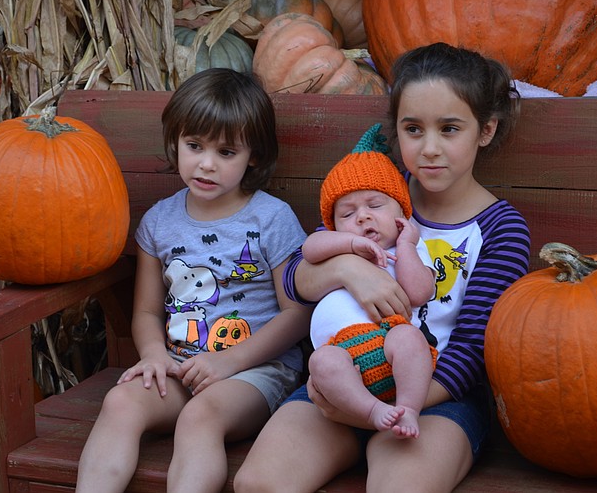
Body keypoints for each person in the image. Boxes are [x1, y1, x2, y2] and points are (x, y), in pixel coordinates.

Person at [234, 42, 531, 493]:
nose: (429, 148)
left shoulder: (500, 228)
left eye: (449, 129)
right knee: (259, 483)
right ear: (396, 130)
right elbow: (295, 279)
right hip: (341, 378)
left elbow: (473, 349)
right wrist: (350, 272)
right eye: (414, 129)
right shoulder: (375, 194)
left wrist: (390, 406)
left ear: (485, 130)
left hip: (435, 398)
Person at [75, 68, 311, 493]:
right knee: (121, 402)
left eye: (225, 152)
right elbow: (147, 310)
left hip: (255, 372)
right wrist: (153, 355)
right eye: (194, 146)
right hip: (180, 367)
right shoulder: (159, 223)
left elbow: (297, 314)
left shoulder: (271, 219)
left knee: (200, 417)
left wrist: (229, 362)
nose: (206, 163)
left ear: (252, 156)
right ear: (176, 142)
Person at [302, 123, 439, 439]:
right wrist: (349, 245)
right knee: (320, 361)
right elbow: (310, 249)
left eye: (375, 206)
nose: (362, 217)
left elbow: (419, 293)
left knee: (409, 338)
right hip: (342, 356)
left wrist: (405, 247)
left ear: (402, 213)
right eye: (347, 214)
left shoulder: (411, 250)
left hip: (389, 349)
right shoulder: (335, 245)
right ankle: (372, 410)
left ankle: (408, 410)